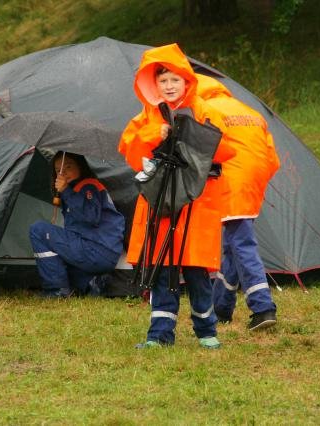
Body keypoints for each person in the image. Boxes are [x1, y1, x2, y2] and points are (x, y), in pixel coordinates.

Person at [118, 43, 235, 349]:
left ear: (187, 81)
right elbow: (129, 150)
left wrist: (192, 135)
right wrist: (153, 136)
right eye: (163, 80)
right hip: (162, 203)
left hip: (196, 204)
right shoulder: (147, 115)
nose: (169, 86)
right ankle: (159, 335)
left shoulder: (204, 109)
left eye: (174, 80)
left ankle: (207, 331)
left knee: (196, 271)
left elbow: (226, 149)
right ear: (153, 84)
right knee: (161, 268)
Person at [196, 74, 281, 330]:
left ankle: (263, 307)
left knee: (242, 242)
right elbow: (272, 158)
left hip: (230, 181)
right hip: (255, 181)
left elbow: (204, 148)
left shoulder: (205, 109)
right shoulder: (248, 110)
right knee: (234, 243)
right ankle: (221, 306)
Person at [29, 151, 125, 298]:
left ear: (81, 166)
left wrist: (66, 191)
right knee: (60, 258)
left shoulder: (88, 187)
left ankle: (57, 291)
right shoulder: (78, 189)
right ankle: (90, 283)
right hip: (101, 253)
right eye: (58, 170)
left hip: (96, 250)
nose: (63, 173)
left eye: (68, 167)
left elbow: (91, 217)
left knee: (38, 230)